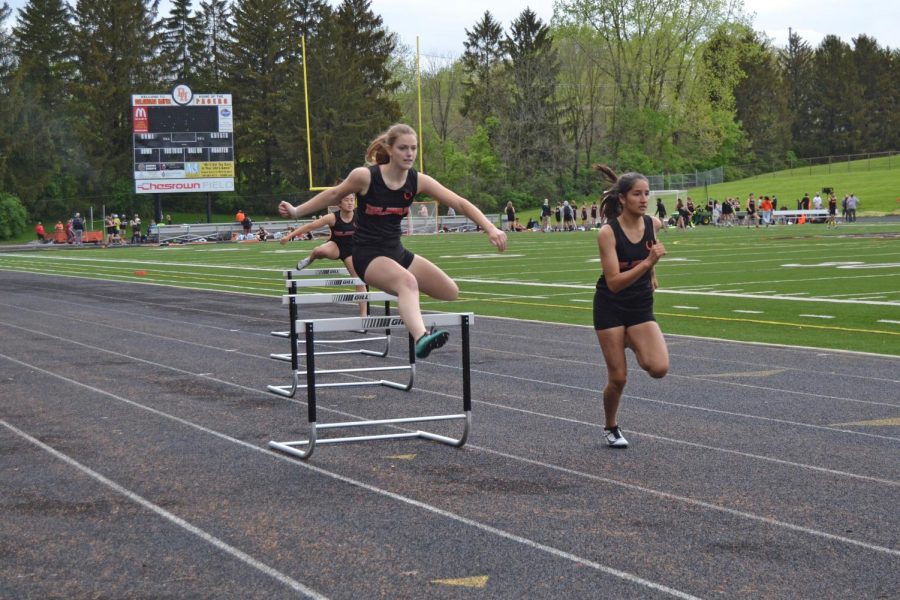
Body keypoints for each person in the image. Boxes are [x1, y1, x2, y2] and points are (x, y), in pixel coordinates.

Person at [278, 123, 506, 358]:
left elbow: (458, 202)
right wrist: (296, 211)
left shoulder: (417, 181)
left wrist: (490, 228)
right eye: (403, 148)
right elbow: (333, 194)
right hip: (367, 255)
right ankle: (421, 336)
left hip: (396, 252)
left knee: (450, 291)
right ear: (389, 148)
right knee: (407, 283)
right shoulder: (366, 177)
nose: (409, 154)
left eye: (414, 148)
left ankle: (406, 300)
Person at [591, 164, 669, 448]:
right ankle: (611, 426)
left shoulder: (653, 224)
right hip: (611, 306)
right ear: (622, 198)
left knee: (659, 368)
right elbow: (613, 282)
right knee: (619, 378)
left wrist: (653, 274)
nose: (644, 199)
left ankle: (630, 339)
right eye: (637, 194)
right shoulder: (608, 233)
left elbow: (650, 245)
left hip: (639, 306)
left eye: (647, 193)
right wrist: (648, 264)